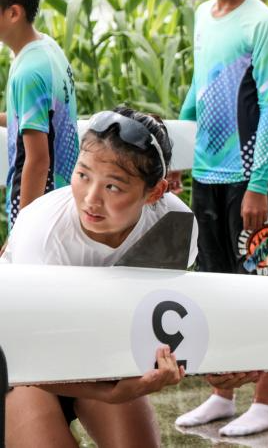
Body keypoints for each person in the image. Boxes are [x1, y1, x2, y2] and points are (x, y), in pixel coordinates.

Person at [1, 106, 194, 448]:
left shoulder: (173, 226)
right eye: (83, 175)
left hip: (96, 354)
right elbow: (23, 356)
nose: (91, 200)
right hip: (18, 362)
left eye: (113, 187)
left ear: (155, 192)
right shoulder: (43, 232)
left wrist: (222, 371)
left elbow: (159, 315)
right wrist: (110, 392)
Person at [169, 0, 268, 437]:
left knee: (263, 285)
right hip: (208, 175)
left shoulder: (261, 23)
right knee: (215, 284)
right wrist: (176, 153)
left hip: (249, 178)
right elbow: (198, 89)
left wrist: (259, 184)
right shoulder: (203, 16)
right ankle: (222, 394)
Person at [0, 0, 79, 227]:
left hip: (39, 205)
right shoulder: (46, 48)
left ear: (13, 13)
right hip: (61, 197)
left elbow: (37, 160)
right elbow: (36, 117)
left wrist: (23, 228)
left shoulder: (28, 73)